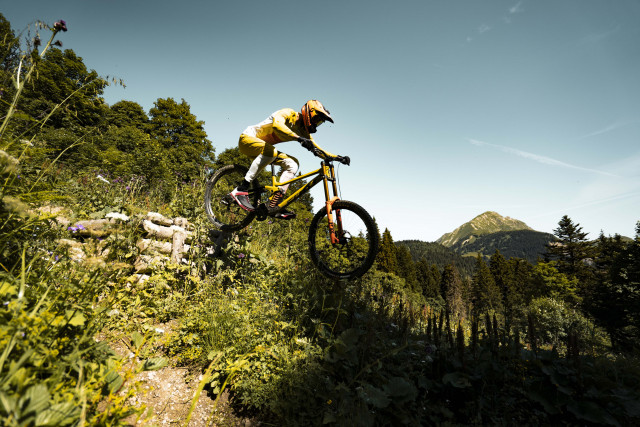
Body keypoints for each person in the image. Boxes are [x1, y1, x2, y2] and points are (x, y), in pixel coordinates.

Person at [229, 100, 335, 219]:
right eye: (316, 119)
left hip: (263, 149)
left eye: (319, 122)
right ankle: (241, 188)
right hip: (247, 139)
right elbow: (277, 125)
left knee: (293, 164)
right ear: (309, 113)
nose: (316, 124)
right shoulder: (288, 113)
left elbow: (317, 148)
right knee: (272, 152)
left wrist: (337, 157)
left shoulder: (302, 131)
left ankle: (275, 204)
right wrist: (298, 138)